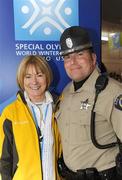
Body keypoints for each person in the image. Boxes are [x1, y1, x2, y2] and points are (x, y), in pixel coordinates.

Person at [55, 26, 122, 180]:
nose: (73, 62)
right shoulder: (66, 93)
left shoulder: (112, 92)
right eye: (67, 57)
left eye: (79, 54)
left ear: (93, 58)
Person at [0, 55, 61, 180]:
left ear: (47, 77)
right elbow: (3, 160)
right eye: (28, 76)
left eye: (39, 75)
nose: (34, 82)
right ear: (21, 80)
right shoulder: (10, 113)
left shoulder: (61, 107)